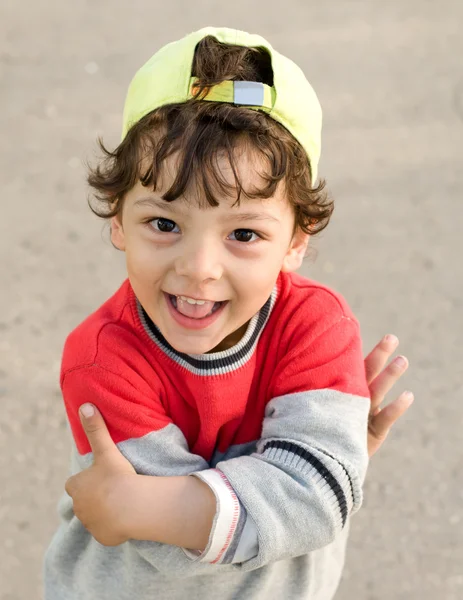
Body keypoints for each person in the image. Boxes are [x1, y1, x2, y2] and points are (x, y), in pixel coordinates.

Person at [43, 27, 413, 600]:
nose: (199, 268)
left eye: (243, 233)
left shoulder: (314, 326)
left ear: (296, 240)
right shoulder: (102, 358)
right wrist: (295, 484)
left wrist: (144, 504)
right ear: (116, 219)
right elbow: (172, 553)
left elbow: (316, 501)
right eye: (164, 224)